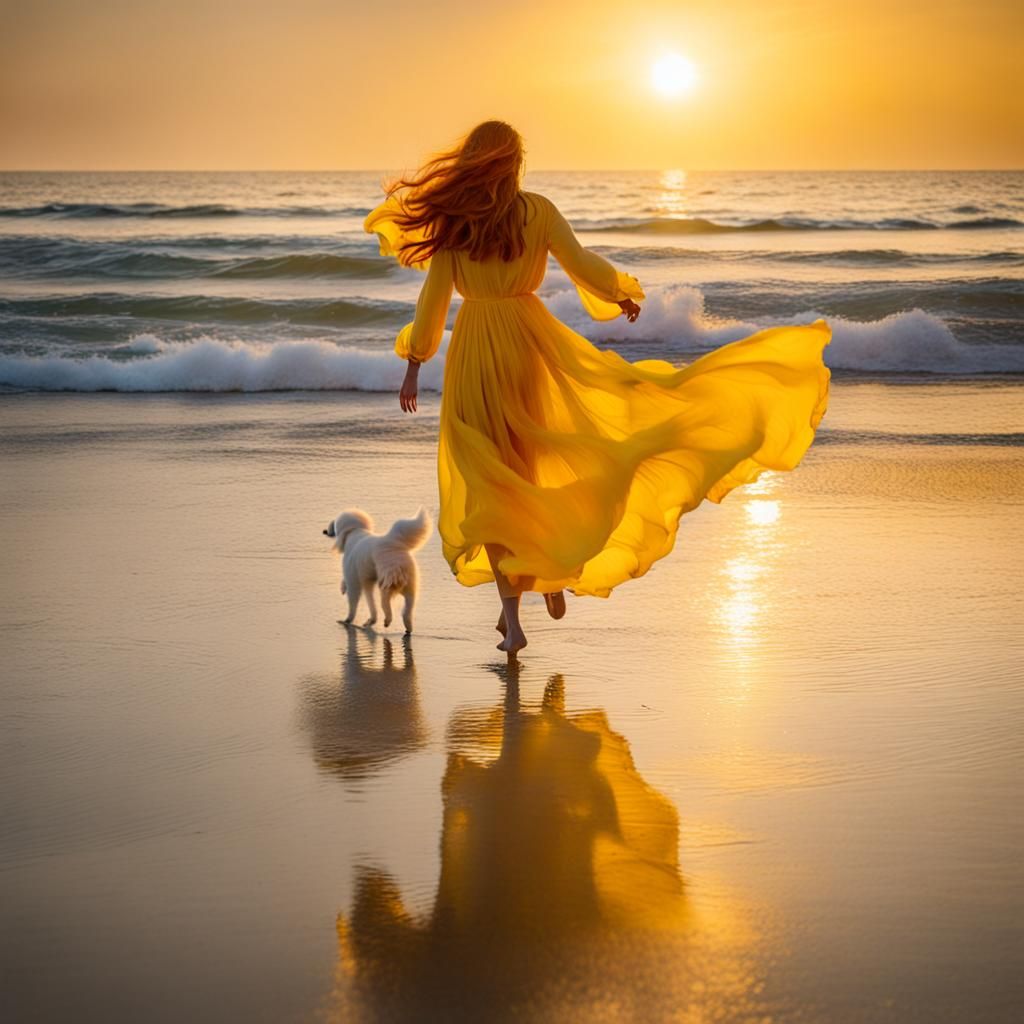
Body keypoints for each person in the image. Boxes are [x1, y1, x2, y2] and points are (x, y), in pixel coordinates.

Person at [364, 120, 830, 655]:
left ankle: (514, 618)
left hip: (475, 351)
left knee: (491, 485)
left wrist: (415, 361)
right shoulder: (536, 210)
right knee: (528, 468)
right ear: (512, 163)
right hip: (527, 343)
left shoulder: (455, 223)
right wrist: (619, 295)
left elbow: (435, 302)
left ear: (471, 161)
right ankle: (549, 575)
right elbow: (580, 264)